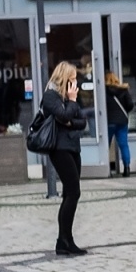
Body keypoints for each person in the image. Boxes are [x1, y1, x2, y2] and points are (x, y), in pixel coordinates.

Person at [40, 63, 88, 256]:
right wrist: (72, 103)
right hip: (59, 149)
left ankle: (66, 240)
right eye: (72, 78)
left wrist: (69, 119)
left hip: (73, 147)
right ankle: (63, 240)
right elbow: (64, 115)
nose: (75, 82)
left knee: (71, 193)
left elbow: (82, 122)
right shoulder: (50, 96)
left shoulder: (70, 96)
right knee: (73, 193)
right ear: (64, 77)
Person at [105, 72, 134, 176]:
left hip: (109, 122)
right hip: (122, 121)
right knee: (123, 145)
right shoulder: (124, 90)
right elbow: (130, 105)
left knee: (105, 145)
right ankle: (127, 169)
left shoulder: (104, 91)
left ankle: (107, 170)